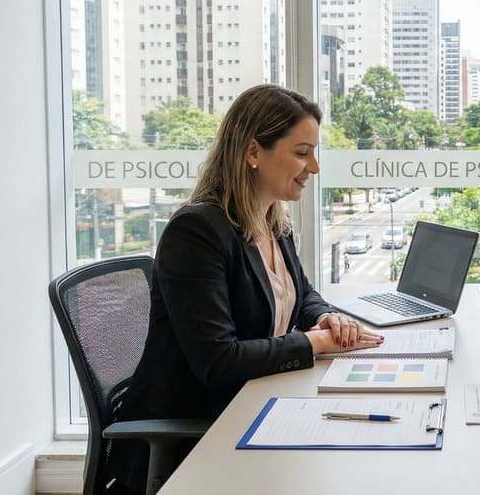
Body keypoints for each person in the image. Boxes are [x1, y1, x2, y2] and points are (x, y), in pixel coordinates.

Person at [108, 84, 382, 493]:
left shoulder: (272, 219)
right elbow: (218, 360)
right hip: (198, 429)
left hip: (251, 401)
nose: (315, 167)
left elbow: (301, 292)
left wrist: (325, 316)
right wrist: (317, 343)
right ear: (253, 152)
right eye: (302, 153)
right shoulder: (197, 231)